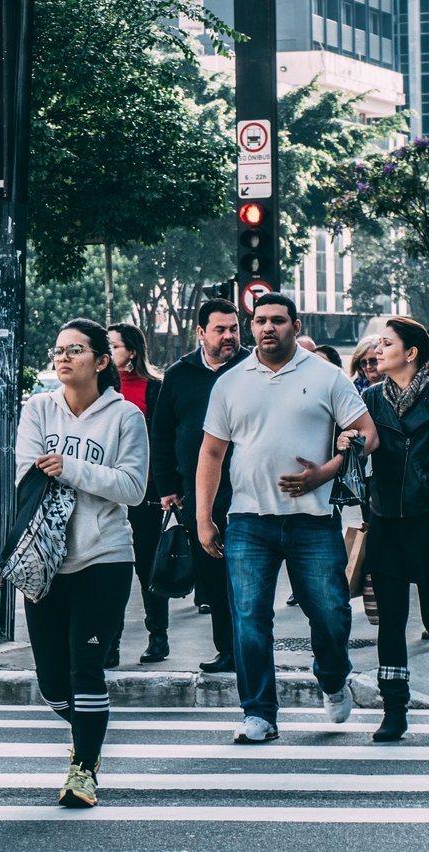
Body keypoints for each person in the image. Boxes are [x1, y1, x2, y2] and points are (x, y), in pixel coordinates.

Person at [196, 293, 378, 743]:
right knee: (250, 618)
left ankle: (333, 678)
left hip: (312, 521)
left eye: (278, 320)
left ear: (295, 326)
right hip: (248, 522)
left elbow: (368, 435)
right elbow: (212, 454)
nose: (268, 328)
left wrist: (327, 472)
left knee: (332, 614)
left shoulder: (327, 376)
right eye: (260, 321)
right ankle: (258, 713)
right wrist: (203, 517)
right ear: (251, 326)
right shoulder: (230, 383)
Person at [17, 318, 148, 808]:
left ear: (100, 360)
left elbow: (133, 488)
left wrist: (69, 467)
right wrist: (74, 473)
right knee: (52, 681)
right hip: (45, 558)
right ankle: (89, 729)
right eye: (58, 349)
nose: (63, 356)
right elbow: (26, 476)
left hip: (105, 555)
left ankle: (83, 768)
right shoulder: (37, 409)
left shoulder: (125, 418)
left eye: (76, 349)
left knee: (86, 666)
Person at [338, 317, 429, 742]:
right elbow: (358, 454)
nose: (376, 350)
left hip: (426, 522)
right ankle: (395, 709)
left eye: (387, 344)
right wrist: (348, 443)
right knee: (390, 621)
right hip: (385, 522)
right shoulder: (370, 398)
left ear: (410, 353)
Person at [151, 298, 250, 673]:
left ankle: (251, 649)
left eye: (234, 328)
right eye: (220, 329)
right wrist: (167, 486)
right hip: (199, 494)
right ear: (201, 333)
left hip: (248, 490)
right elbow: (161, 434)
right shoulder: (179, 374)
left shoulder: (252, 367)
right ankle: (227, 649)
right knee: (212, 576)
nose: (229, 336)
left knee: (248, 576)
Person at [106, 322, 166, 665]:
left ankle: (158, 637)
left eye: (113, 346)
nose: (109, 352)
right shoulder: (100, 391)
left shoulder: (154, 388)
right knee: (111, 570)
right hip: (108, 493)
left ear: (131, 350)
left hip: (146, 493)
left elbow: (161, 442)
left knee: (147, 569)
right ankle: (110, 644)